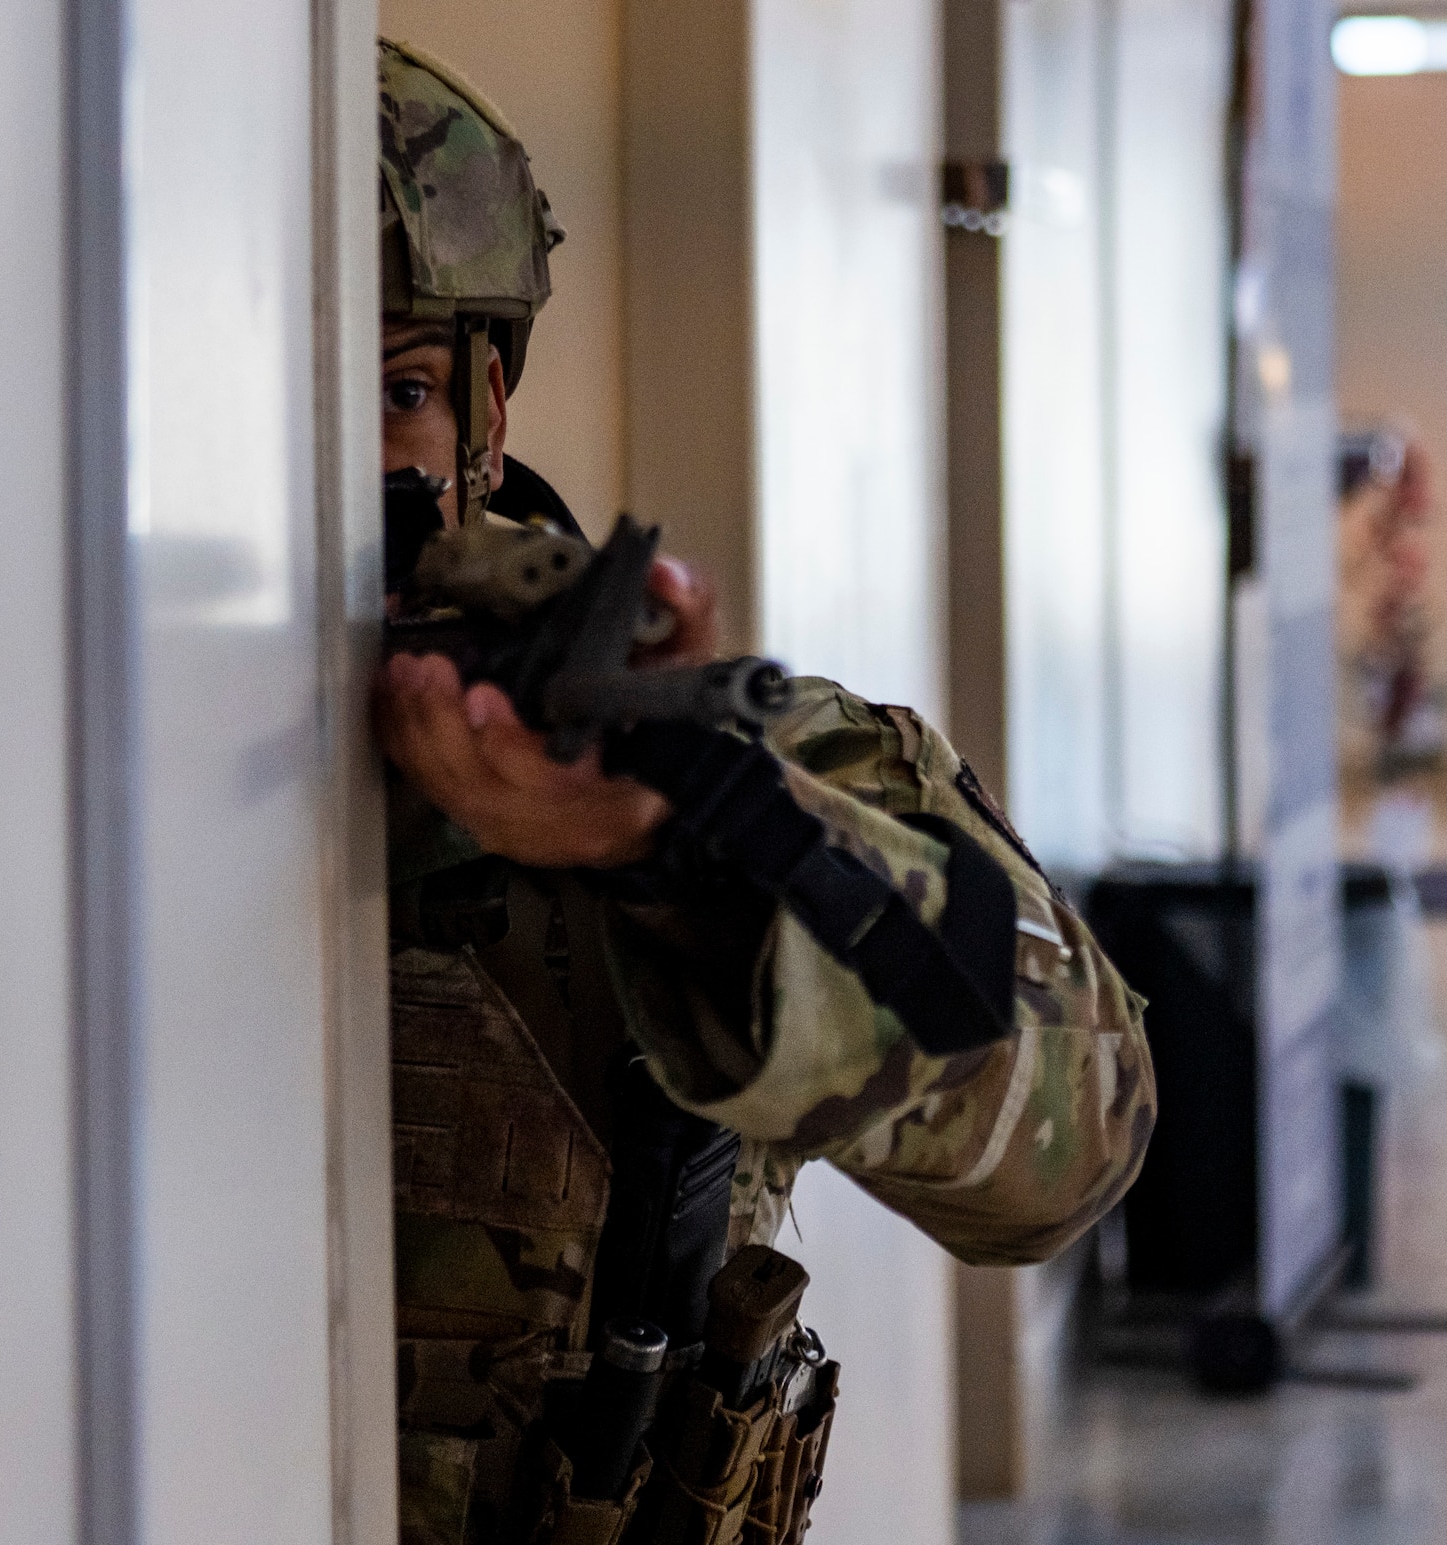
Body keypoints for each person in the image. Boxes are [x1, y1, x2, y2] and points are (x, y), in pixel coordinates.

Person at [370, 38, 1154, 1545]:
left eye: (400, 392)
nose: (340, 467)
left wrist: (681, 857)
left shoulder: (673, 749)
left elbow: (1076, 1142)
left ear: (488, 409)